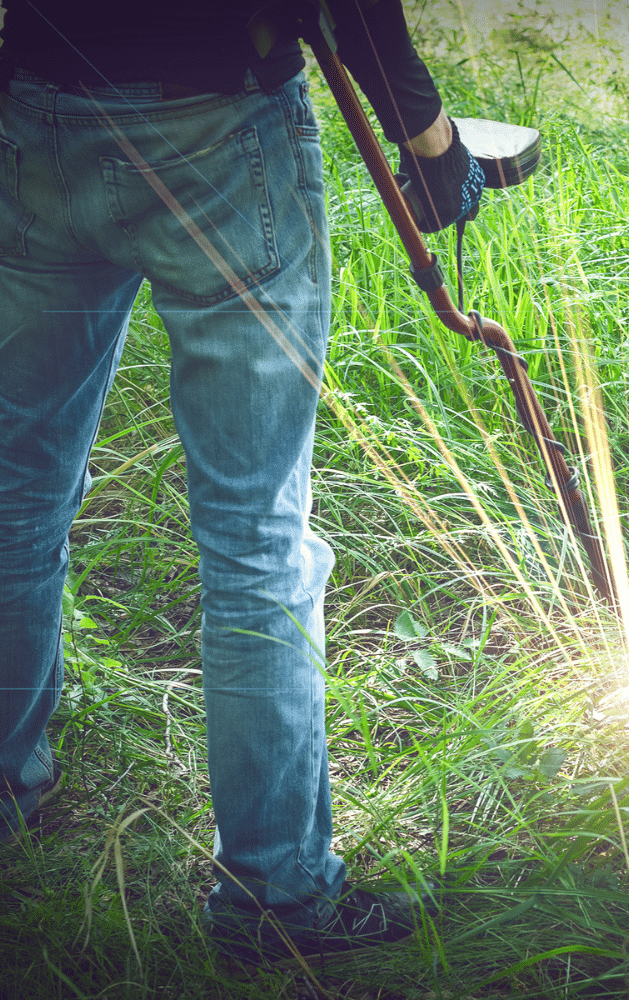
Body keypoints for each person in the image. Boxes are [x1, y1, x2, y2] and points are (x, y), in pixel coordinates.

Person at [0, 0, 484, 967]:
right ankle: (278, 897)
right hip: (220, 124)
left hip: (38, 110)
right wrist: (429, 144)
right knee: (255, 538)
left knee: (12, 497)